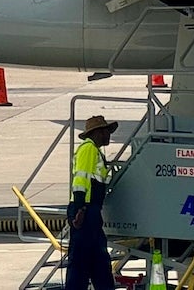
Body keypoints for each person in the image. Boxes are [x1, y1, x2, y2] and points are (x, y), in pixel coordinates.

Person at [65, 114, 118, 290]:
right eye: (106, 131)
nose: (109, 135)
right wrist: (80, 209)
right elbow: (81, 179)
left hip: (90, 211)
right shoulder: (88, 148)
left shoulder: (94, 151)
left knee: (98, 258)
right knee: (81, 261)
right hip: (85, 210)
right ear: (98, 132)